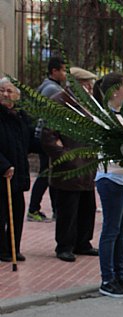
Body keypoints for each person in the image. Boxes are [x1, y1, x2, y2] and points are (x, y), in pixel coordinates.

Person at [41, 67, 99, 262]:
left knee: (86, 207)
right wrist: (67, 157)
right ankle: (64, 246)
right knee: (68, 209)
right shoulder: (58, 102)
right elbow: (48, 136)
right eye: (86, 85)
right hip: (69, 168)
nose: (90, 89)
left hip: (87, 167)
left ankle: (83, 242)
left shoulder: (86, 104)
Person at [93, 72, 123, 297]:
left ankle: (120, 276)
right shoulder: (102, 116)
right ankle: (107, 279)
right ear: (114, 92)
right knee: (111, 230)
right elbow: (108, 148)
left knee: (122, 230)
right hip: (110, 178)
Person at [0, 78, 38, 262]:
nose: (5, 94)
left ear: (17, 96)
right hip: (3, 172)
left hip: (18, 173)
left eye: (9, 91)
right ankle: (2, 249)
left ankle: (13, 248)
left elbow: (29, 142)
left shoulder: (22, 116)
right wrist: (4, 165)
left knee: (17, 211)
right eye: (2, 91)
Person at [29, 56, 67, 222]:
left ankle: (55, 210)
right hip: (47, 137)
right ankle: (33, 209)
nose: (65, 74)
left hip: (42, 135)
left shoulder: (46, 85)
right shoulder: (52, 89)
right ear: (54, 71)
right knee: (46, 173)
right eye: (63, 70)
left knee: (50, 172)